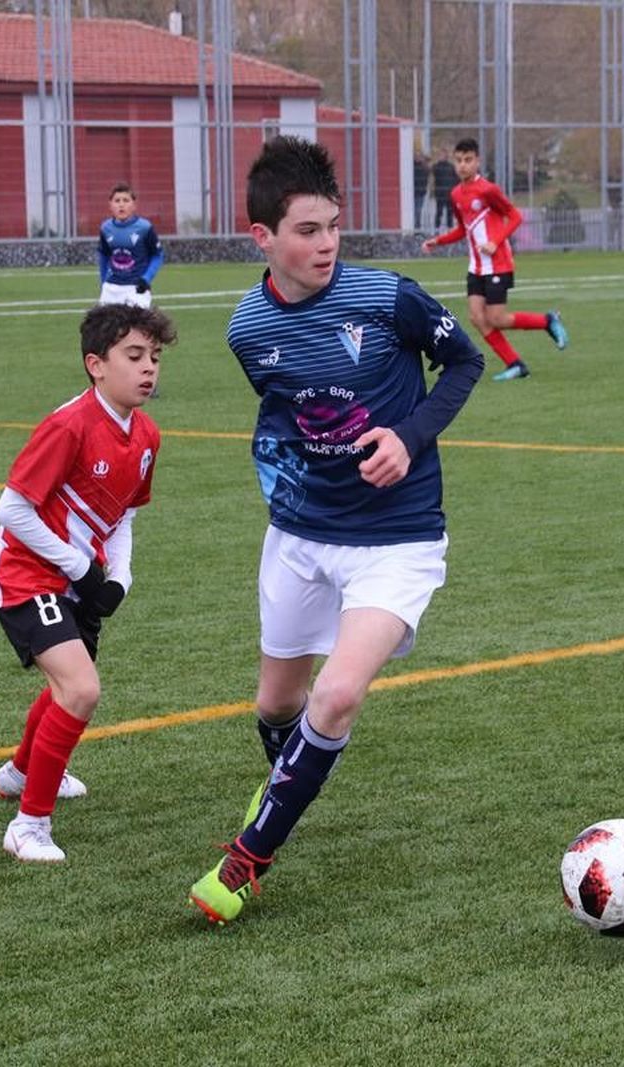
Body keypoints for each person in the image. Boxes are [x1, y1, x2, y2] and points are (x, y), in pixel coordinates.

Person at [187, 136, 484, 925]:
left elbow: (464, 364)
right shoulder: (247, 328)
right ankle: (289, 781)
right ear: (263, 238)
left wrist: (407, 437)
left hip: (400, 537)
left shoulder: (389, 298)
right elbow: (281, 408)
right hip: (299, 537)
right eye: (306, 231)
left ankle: (247, 858)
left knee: (339, 691)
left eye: (332, 227)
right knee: (276, 704)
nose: (325, 244)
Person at [0, 302, 173, 862]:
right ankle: (28, 827)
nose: (148, 369)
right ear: (96, 364)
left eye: (155, 358)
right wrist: (78, 567)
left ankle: (20, 773)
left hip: (78, 581)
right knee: (82, 689)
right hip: (27, 577)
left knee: (67, 689)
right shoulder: (68, 425)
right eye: (134, 356)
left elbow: (125, 516)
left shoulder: (146, 434)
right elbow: (11, 510)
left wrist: (120, 577)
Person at [421, 137, 568, 382]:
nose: (463, 166)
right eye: (459, 161)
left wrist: (495, 241)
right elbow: (462, 229)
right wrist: (438, 241)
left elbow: (515, 216)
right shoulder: (456, 194)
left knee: (497, 318)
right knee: (477, 317)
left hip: (498, 264)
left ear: (477, 161)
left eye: (468, 160)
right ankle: (515, 364)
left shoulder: (488, 190)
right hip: (476, 267)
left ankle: (547, 320)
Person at [97, 183, 164, 309]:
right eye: (117, 201)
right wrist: (103, 282)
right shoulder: (105, 228)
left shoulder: (145, 227)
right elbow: (103, 254)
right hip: (111, 288)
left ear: (134, 205)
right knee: (105, 328)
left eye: (126, 200)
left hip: (136, 288)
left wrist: (146, 279)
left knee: (136, 328)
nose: (121, 205)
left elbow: (157, 255)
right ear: (110, 205)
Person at [430, 147, 457, 230]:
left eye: (443, 154)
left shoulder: (451, 167)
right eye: (440, 155)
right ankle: (436, 230)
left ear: (446, 156)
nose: (442, 156)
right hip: (440, 194)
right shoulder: (436, 167)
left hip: (450, 194)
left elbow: (456, 179)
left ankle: (450, 230)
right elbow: (433, 174)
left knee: (450, 213)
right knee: (439, 212)